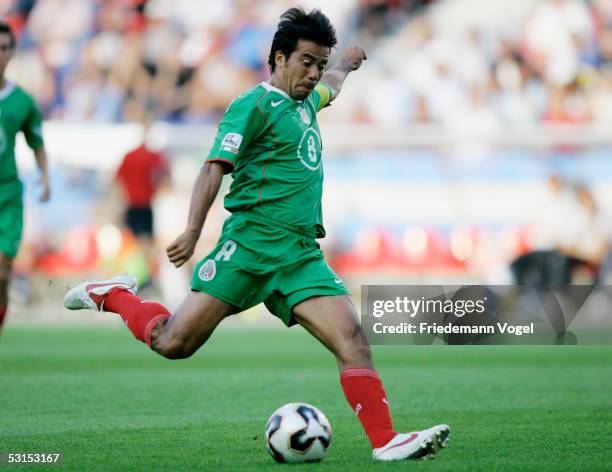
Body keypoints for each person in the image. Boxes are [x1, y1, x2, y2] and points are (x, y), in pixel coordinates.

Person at [64, 8, 449, 461]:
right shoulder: (253, 105)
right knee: (173, 342)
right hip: (248, 248)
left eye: (319, 65)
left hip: (301, 256)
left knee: (353, 339)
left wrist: (345, 62)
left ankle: (386, 441)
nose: (313, 73)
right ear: (279, 58)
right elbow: (214, 166)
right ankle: (112, 295)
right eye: (306, 62)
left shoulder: (308, 102)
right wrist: (192, 230)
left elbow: (334, 85)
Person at [0, 20, 50, 333]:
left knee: (2, 274)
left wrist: (46, 178)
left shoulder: (22, 101)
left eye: (4, 48)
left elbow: (37, 143)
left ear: (12, 53)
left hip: (6, 196)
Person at [115, 121, 169, 278]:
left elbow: (118, 180)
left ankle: (134, 274)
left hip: (132, 203)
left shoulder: (130, 156)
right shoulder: (154, 157)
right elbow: (164, 178)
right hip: (145, 204)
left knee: (131, 241)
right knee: (145, 241)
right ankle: (146, 274)